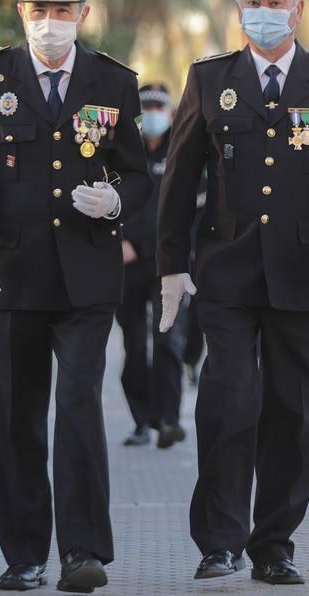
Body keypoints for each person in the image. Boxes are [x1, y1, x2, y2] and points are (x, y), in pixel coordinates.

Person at [155, 0, 309, 585]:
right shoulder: (209, 79)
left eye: (275, 1)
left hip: (304, 267)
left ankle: (274, 542)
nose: (264, 13)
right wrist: (171, 266)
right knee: (229, 401)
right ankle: (220, 540)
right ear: (237, 10)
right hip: (226, 272)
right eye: (253, 3)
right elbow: (178, 179)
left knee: (293, 410)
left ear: (299, 9)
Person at [0, 0, 151, 594]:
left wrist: (114, 201)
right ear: (21, 14)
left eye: (63, 12)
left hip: (87, 279)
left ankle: (81, 551)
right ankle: (25, 553)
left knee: (79, 404)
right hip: (11, 276)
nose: (51, 25)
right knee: (15, 415)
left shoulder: (112, 82)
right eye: (39, 12)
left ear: (84, 14)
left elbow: (139, 174)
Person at [116, 82, 188, 450]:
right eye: (147, 109)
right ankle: (141, 420)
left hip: (167, 264)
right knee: (133, 346)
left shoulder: (182, 148)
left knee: (168, 342)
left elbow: (193, 204)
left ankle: (169, 419)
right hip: (128, 263)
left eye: (160, 108)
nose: (154, 115)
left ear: (171, 113)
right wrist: (119, 241)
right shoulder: (124, 149)